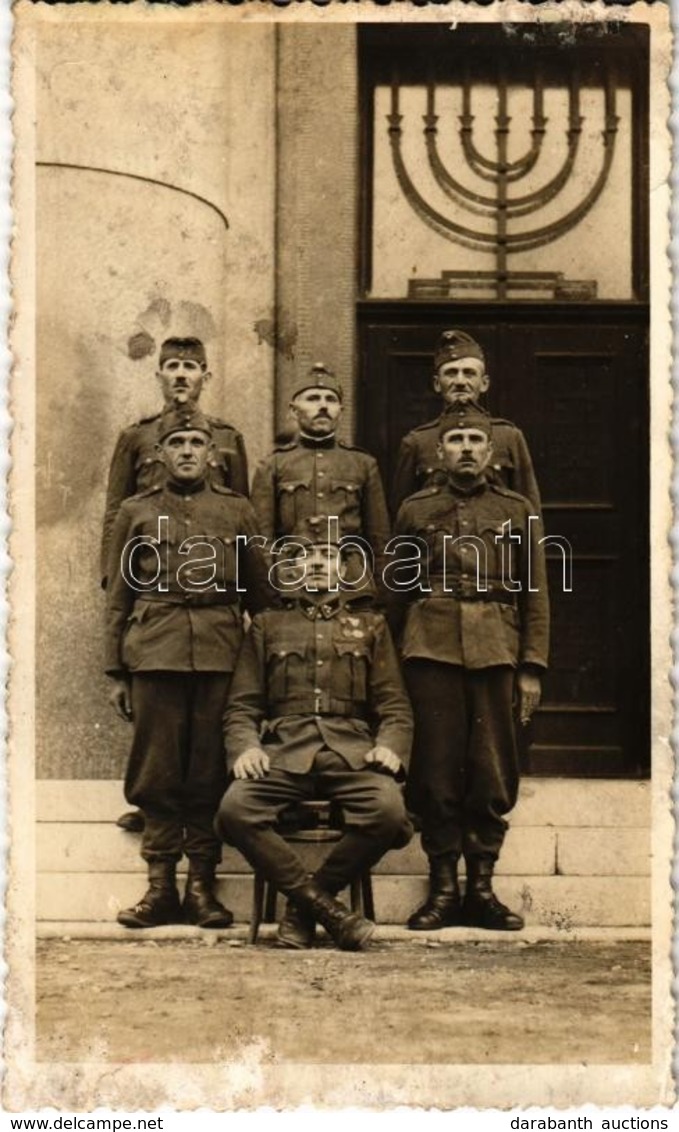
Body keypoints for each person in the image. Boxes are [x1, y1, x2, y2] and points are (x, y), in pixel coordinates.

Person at [105, 406, 273, 929]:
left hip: (221, 654)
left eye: (196, 444)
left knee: (206, 770)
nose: (186, 452)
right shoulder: (135, 511)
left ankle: (202, 887)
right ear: (159, 453)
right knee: (157, 772)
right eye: (176, 444)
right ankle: (159, 889)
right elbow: (117, 595)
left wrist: (259, 673)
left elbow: (259, 596)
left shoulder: (238, 512)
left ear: (212, 454)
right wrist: (116, 670)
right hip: (154, 650)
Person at [391, 405, 549, 932]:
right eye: (454, 438)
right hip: (430, 647)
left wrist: (531, 665)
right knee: (435, 769)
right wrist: (392, 666)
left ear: (489, 451)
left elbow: (535, 591)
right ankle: (442, 889)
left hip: (495, 649)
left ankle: (481, 889)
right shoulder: (415, 509)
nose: (463, 447)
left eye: (473, 440)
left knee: (490, 768)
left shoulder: (518, 510)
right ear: (440, 452)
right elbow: (397, 591)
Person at [215, 541, 413, 951]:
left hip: (351, 752)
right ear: (292, 569)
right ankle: (328, 911)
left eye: (329, 556)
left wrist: (391, 745)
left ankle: (305, 907)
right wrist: (247, 748)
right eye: (308, 556)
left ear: (344, 568)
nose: (319, 564)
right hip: (284, 752)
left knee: (389, 812)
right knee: (235, 809)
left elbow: (394, 706)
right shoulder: (267, 626)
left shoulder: (371, 626)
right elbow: (241, 706)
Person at [102, 336, 249, 834]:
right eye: (172, 367)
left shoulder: (229, 443)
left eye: (191, 367)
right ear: (159, 374)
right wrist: (118, 652)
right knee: (157, 754)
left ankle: (202, 883)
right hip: (156, 620)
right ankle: (161, 877)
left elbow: (243, 539)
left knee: (210, 756)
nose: (181, 375)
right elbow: (116, 529)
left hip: (216, 633)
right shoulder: (136, 444)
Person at [250, 362, 391, 595]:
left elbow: (380, 540)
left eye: (330, 399)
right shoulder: (273, 465)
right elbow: (261, 542)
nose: (323, 406)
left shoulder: (363, 464)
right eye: (313, 398)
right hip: (291, 583)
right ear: (293, 410)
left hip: (351, 585)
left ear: (341, 411)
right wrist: (270, 594)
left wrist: (379, 597)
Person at [391, 329, 541, 516]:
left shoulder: (509, 437)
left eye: (469, 373)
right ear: (437, 383)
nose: (460, 381)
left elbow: (530, 510)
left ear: (484, 383)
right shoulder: (417, 442)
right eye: (451, 373)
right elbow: (402, 515)